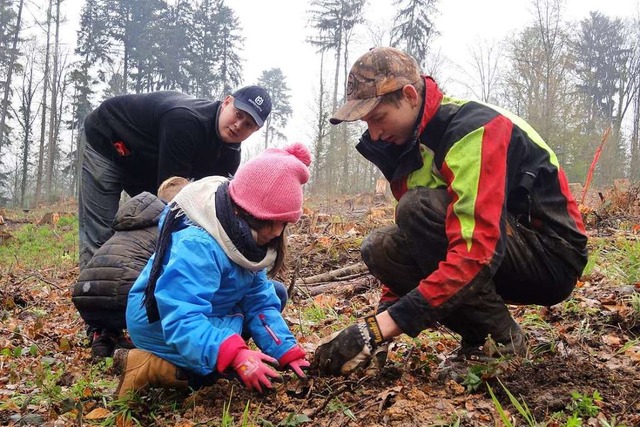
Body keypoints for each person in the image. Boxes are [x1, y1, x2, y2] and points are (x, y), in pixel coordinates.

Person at [313, 47, 588, 376]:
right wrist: (376, 331)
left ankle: (502, 344)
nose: (373, 133)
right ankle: (481, 338)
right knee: (381, 247)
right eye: (366, 122)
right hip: (502, 249)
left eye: (378, 117)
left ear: (410, 96)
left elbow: (475, 249)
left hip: (550, 256)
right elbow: (416, 247)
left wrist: (383, 327)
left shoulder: (473, 130)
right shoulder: (408, 148)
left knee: (417, 209)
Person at [114, 143, 312, 397]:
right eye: (269, 222)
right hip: (159, 322)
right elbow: (181, 316)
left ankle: (194, 361)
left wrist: (286, 350)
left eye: (283, 224)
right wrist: (234, 354)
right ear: (244, 211)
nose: (275, 232)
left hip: (202, 310)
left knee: (273, 293)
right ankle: (149, 364)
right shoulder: (199, 245)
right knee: (217, 368)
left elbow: (259, 302)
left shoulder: (248, 241)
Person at [78, 85, 272, 270]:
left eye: (248, 124)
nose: (238, 125)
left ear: (255, 130)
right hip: (109, 140)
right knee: (100, 234)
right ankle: (91, 296)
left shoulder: (231, 155)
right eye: (238, 114)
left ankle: (134, 285)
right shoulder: (185, 120)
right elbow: (170, 197)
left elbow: (214, 206)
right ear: (227, 102)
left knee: (149, 228)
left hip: (146, 162)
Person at [72, 176, 190, 359]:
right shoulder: (170, 227)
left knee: (116, 294)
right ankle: (154, 348)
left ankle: (105, 339)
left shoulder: (129, 221)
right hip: (125, 299)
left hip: (84, 296)